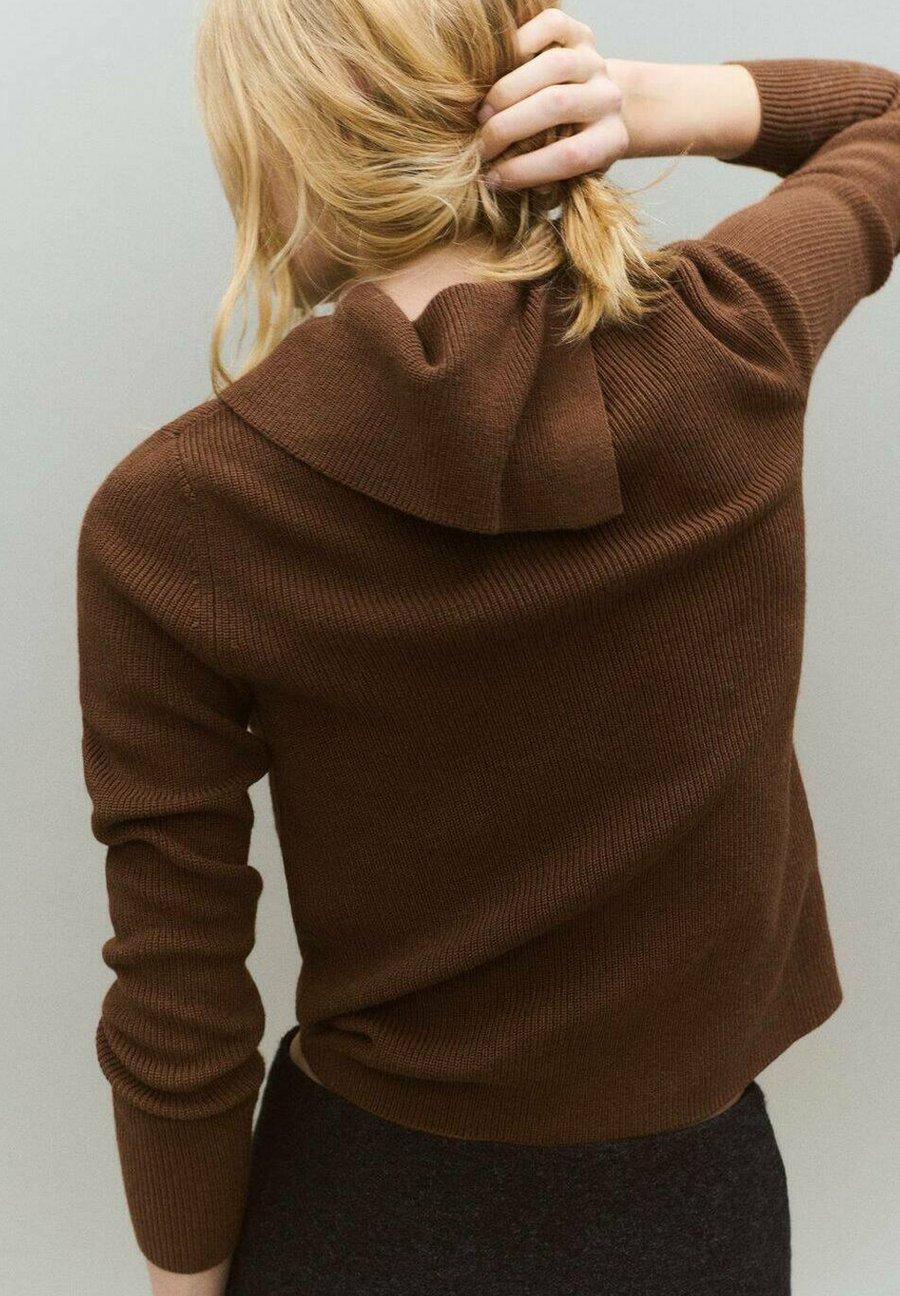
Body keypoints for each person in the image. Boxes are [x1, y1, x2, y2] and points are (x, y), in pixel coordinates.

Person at [75, 2, 900, 1294]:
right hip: (694, 1213)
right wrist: (651, 103)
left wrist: (186, 1279)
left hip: (363, 1212)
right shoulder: (732, 337)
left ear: (284, 147)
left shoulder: (175, 515)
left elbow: (179, 986)